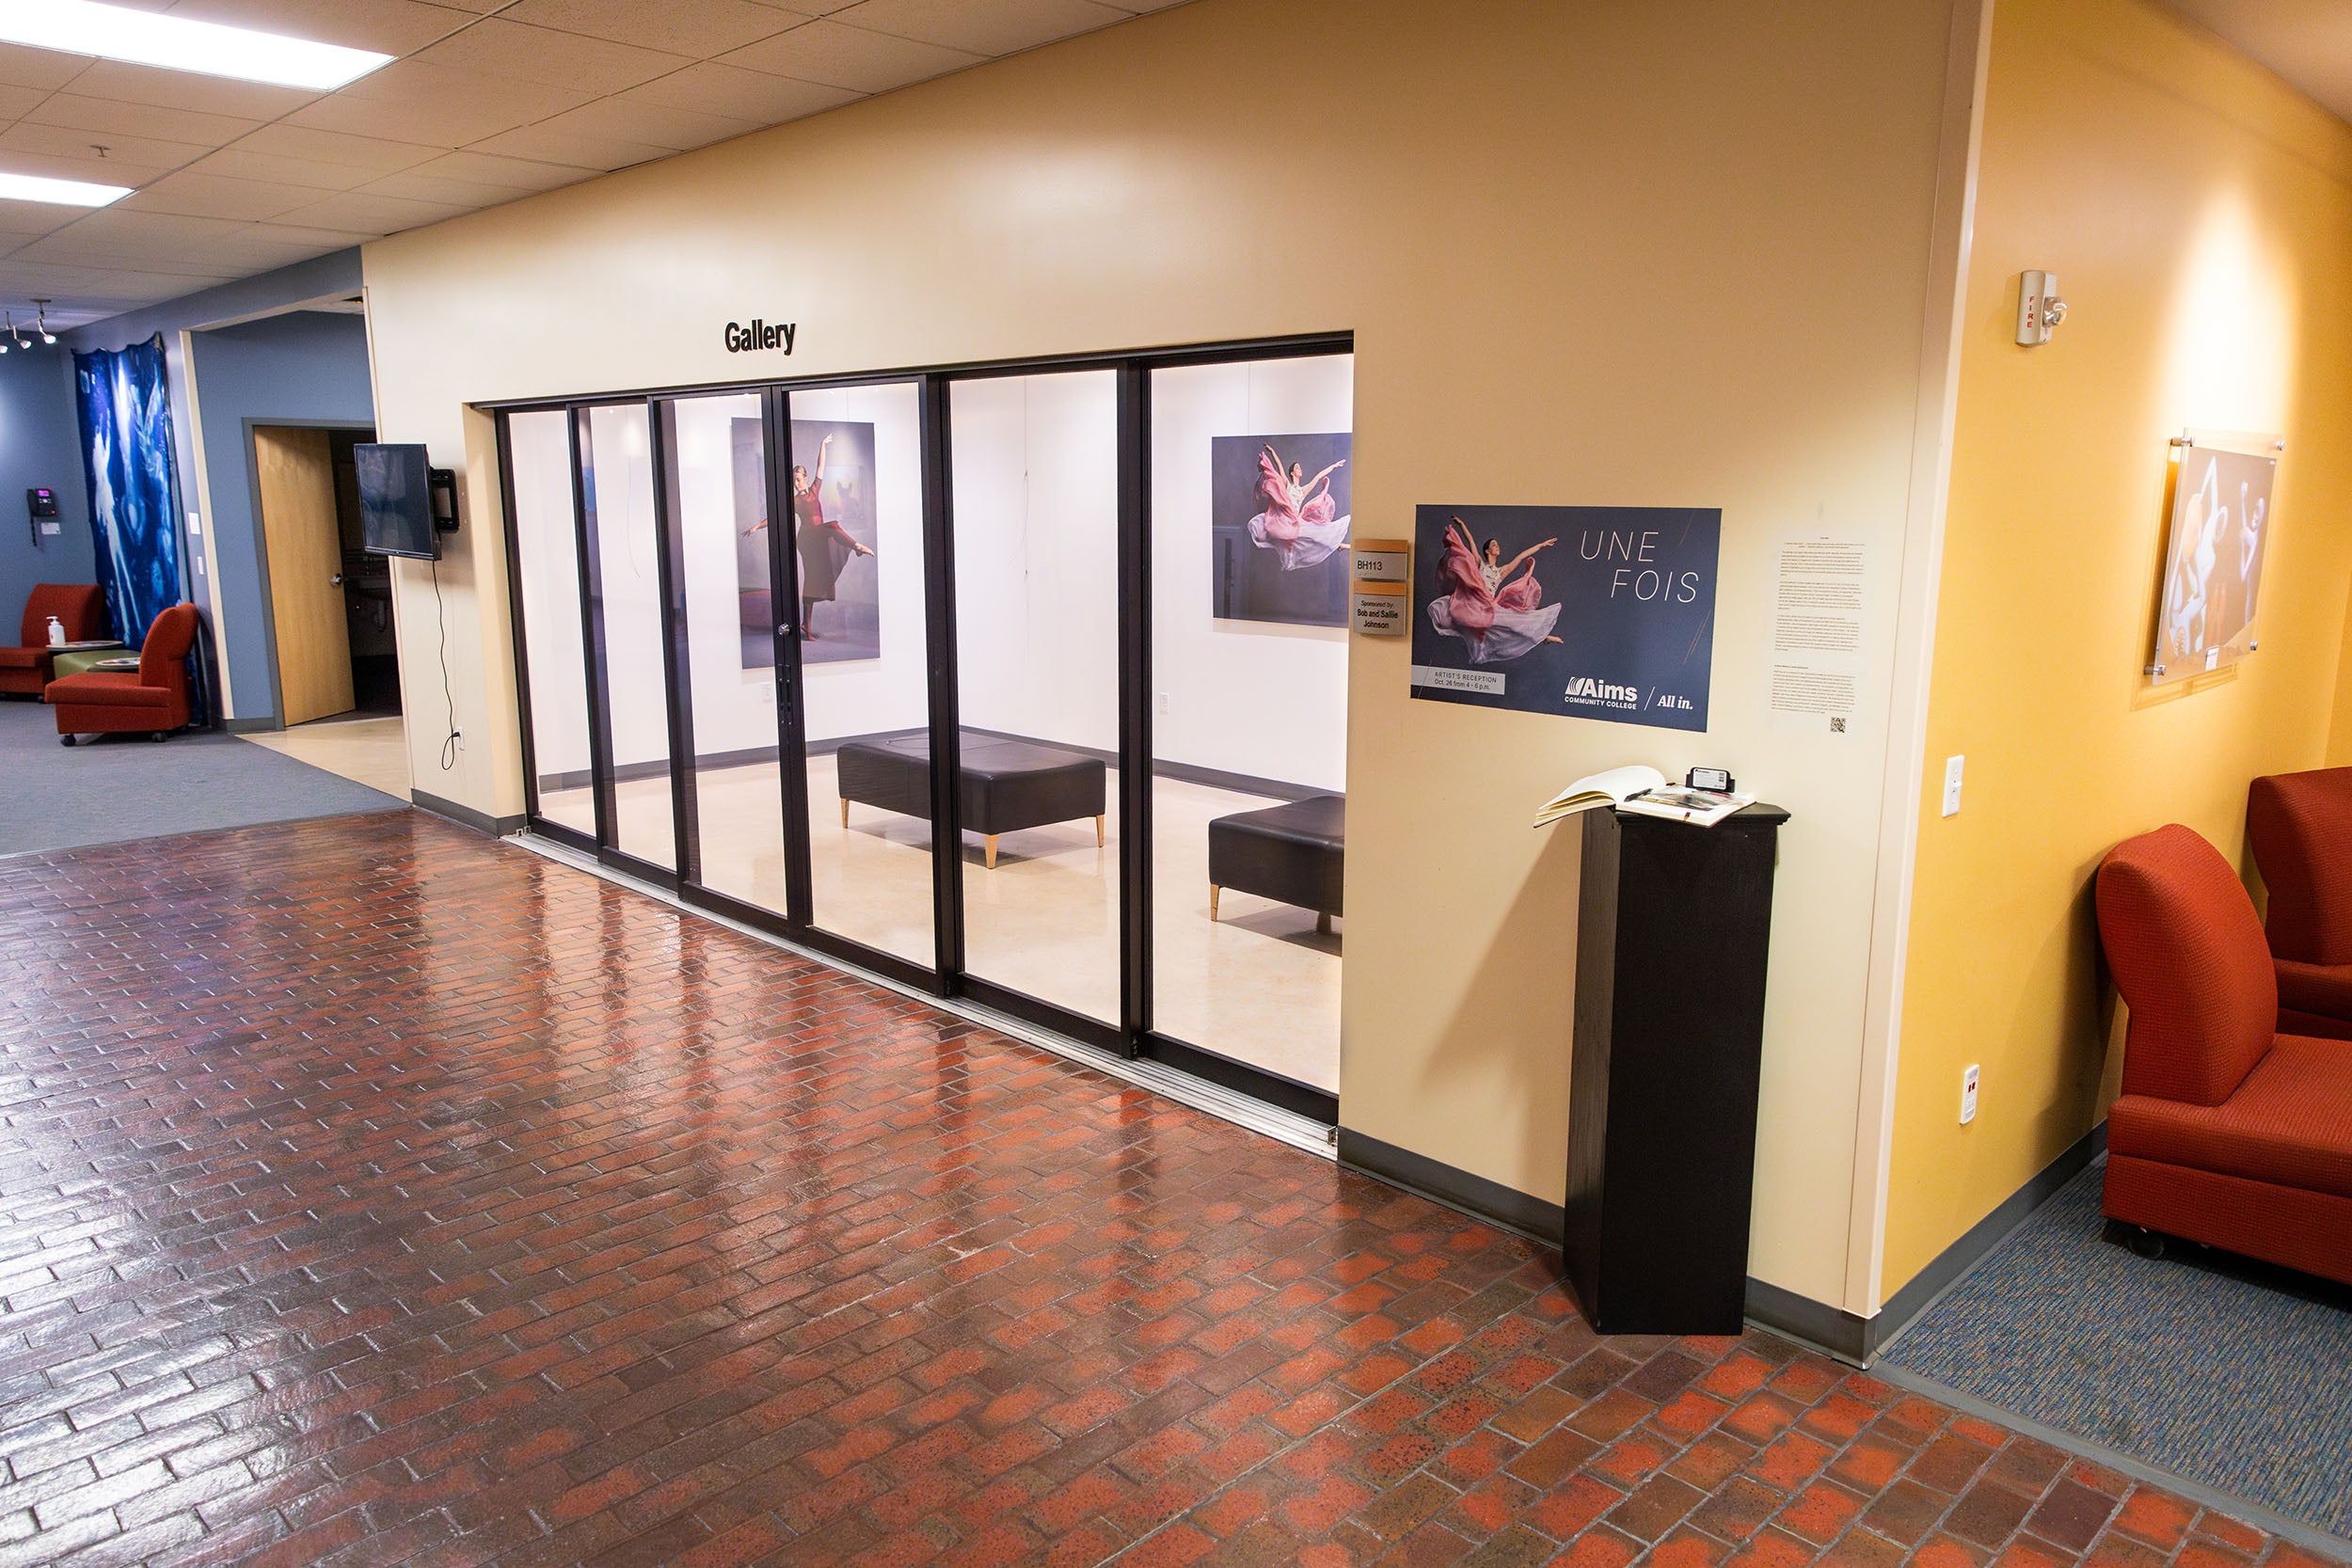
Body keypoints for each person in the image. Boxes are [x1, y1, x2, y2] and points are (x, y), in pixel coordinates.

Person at [745, 432, 873, 640]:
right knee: (831, 529)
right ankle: (856, 546)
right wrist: (756, 527)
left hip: (818, 536)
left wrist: (822, 444)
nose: (797, 484)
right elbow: (776, 516)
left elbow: (820, 465)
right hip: (806, 540)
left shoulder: (815, 489)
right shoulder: (794, 501)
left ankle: (806, 624)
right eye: (794, 481)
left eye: (799, 479)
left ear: (805, 478)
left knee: (814, 575)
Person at [1426, 516, 1564, 663]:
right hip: (1473, 604)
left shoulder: (1501, 572)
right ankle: (1469, 636)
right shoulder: (1480, 563)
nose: (1497, 546)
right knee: (1445, 613)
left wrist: (1541, 545)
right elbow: (1470, 540)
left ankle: (1544, 637)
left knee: (1516, 624)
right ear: (1487, 551)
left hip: (1489, 607)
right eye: (1494, 544)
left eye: (1497, 544)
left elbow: (1521, 557)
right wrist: (1461, 524)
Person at [1248, 441, 1350, 570]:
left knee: (1318, 536)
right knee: (1264, 529)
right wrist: (1272, 452)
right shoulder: (1287, 485)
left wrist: (1333, 466)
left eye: (1300, 467)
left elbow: (1318, 477)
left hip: (1296, 521)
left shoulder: (1303, 490)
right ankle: (1289, 554)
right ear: (1292, 473)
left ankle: (1340, 545)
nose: (1300, 469)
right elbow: (1279, 466)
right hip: (1284, 519)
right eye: (1297, 467)